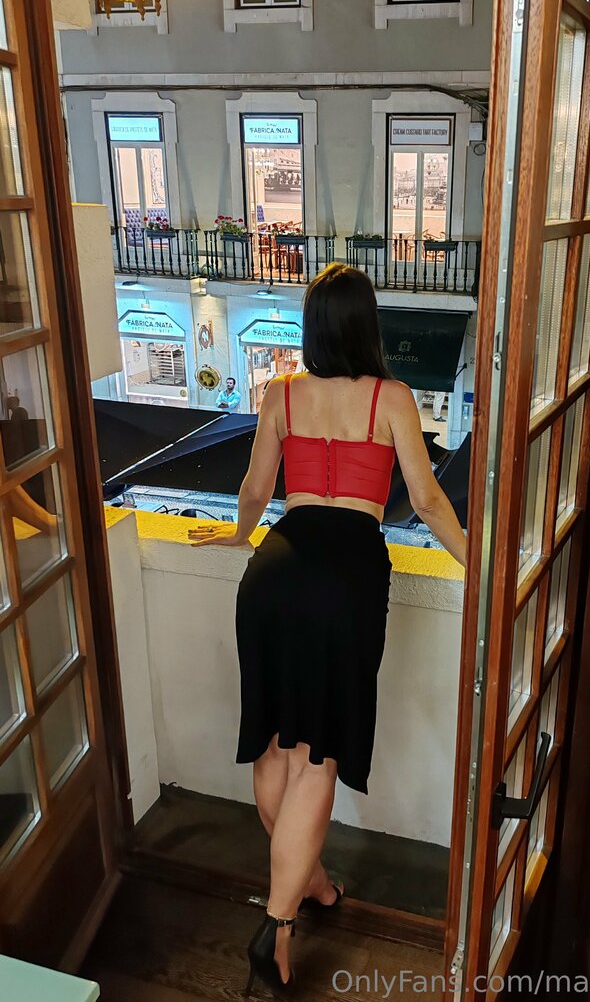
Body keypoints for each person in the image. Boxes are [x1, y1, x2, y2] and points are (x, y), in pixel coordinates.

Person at [188, 263, 466, 997]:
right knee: (316, 759)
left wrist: (237, 535)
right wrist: (481, 559)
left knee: (276, 743)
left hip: (273, 572)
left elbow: (255, 489)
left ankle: (308, 882)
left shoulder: (281, 394)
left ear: (312, 327)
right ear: (368, 325)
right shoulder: (391, 398)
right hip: (346, 580)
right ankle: (276, 927)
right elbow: (428, 501)